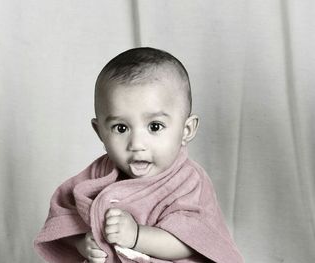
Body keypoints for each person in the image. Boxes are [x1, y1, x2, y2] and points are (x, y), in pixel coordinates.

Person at [34, 47, 244, 263]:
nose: (136, 144)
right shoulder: (98, 174)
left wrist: (136, 236)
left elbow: (190, 243)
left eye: (154, 126)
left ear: (186, 130)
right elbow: (64, 219)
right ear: (100, 133)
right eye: (121, 128)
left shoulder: (189, 181)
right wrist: (82, 244)